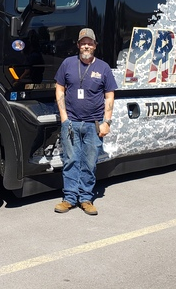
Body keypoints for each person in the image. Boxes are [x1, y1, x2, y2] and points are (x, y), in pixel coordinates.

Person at [54, 27, 118, 215]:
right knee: (71, 160)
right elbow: (59, 89)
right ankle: (69, 198)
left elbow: (110, 95)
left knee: (89, 162)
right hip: (71, 123)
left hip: (94, 124)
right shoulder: (67, 64)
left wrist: (107, 121)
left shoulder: (103, 68)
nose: (86, 46)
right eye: (83, 43)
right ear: (78, 45)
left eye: (89, 43)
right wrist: (64, 118)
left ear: (95, 46)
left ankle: (86, 198)